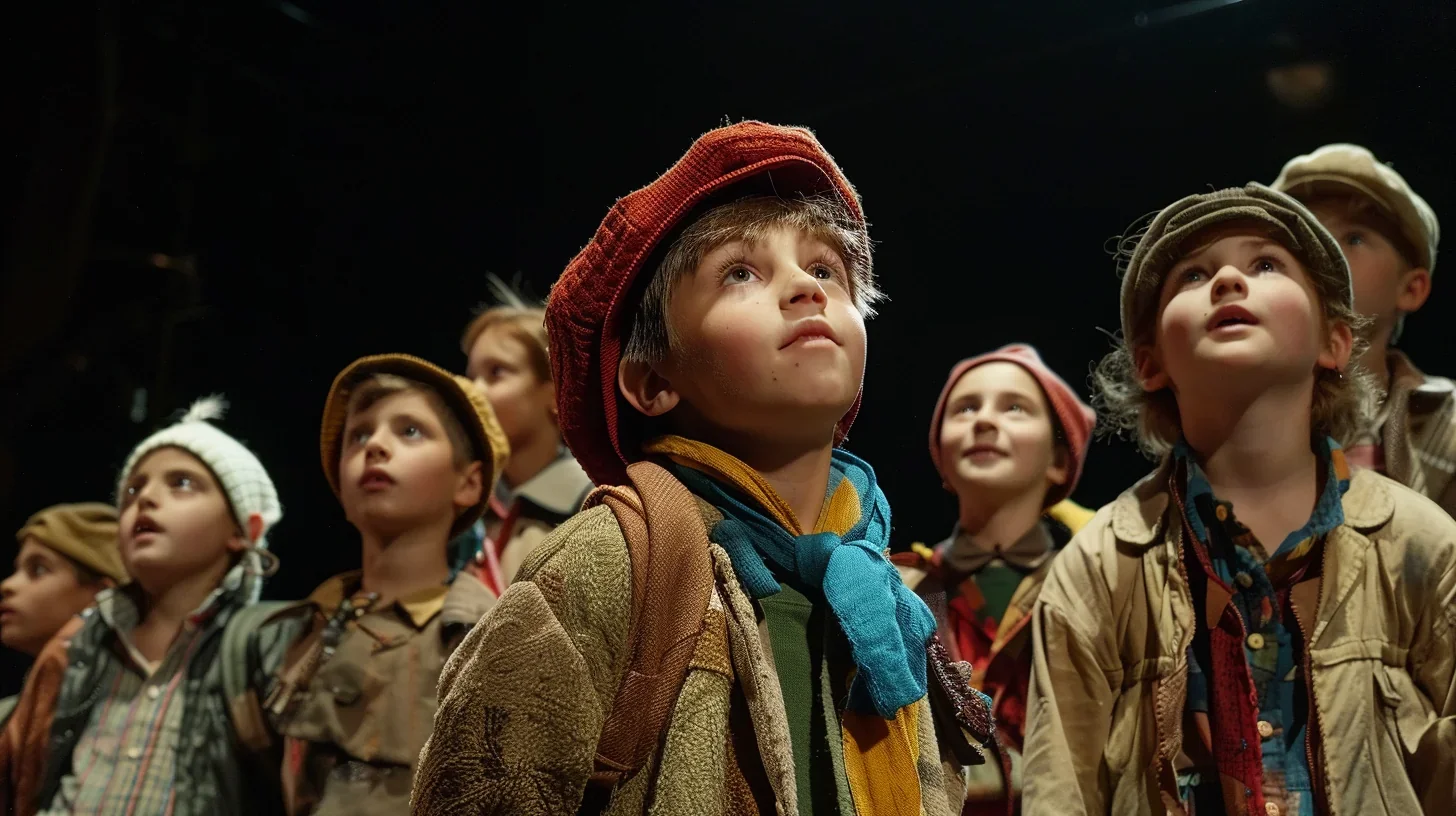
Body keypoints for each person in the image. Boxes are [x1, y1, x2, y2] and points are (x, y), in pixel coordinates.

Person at [412, 121, 995, 815]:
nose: (805, 289)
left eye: (825, 269)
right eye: (740, 272)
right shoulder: (606, 565)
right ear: (653, 380)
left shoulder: (884, 593)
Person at [1021, 184, 1456, 815]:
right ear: (1150, 363)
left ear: (1334, 342)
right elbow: (1059, 790)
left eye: (1267, 265)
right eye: (1193, 275)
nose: (1227, 278)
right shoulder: (1099, 568)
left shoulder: (1422, 544)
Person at [1, 396, 296, 816]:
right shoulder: (82, 647)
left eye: (182, 483)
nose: (147, 498)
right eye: (134, 489)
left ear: (242, 530)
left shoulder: (266, 646)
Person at [261, 354, 508, 815]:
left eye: (410, 431)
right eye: (359, 435)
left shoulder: (483, 637)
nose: (375, 445)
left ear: (469, 483)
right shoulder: (300, 628)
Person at [893, 344, 1096, 814]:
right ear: (941, 455)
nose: (984, 421)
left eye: (1015, 408)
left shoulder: (1099, 582)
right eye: (965, 408)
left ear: (1060, 460)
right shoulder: (899, 587)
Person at [1272, 144, 1455, 513]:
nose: (1322, 255)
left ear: (1410, 288)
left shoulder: (1448, 423)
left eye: (1354, 239)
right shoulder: (1230, 406)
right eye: (1302, 240)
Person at [455, 275, 593, 593]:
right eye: (471, 375)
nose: (471, 392)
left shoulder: (591, 505)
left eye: (496, 372)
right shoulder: (465, 512)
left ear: (556, 392)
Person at [0, 503, 128, 726]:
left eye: (39, 569)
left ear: (103, 595)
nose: (7, 585)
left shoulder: (120, 719)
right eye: (16, 570)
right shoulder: (7, 717)